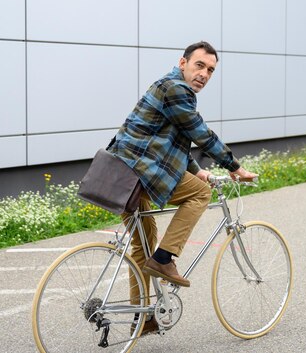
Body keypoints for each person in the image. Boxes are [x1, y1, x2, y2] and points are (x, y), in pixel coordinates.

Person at [108, 41, 257, 334]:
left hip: (120, 173)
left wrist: (197, 170)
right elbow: (199, 132)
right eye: (199, 65)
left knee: (143, 243)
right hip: (139, 172)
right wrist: (234, 167)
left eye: (211, 70)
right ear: (183, 62)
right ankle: (165, 259)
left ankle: (142, 317)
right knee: (200, 194)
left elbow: (170, 139)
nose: (204, 74)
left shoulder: (166, 86)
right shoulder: (178, 90)